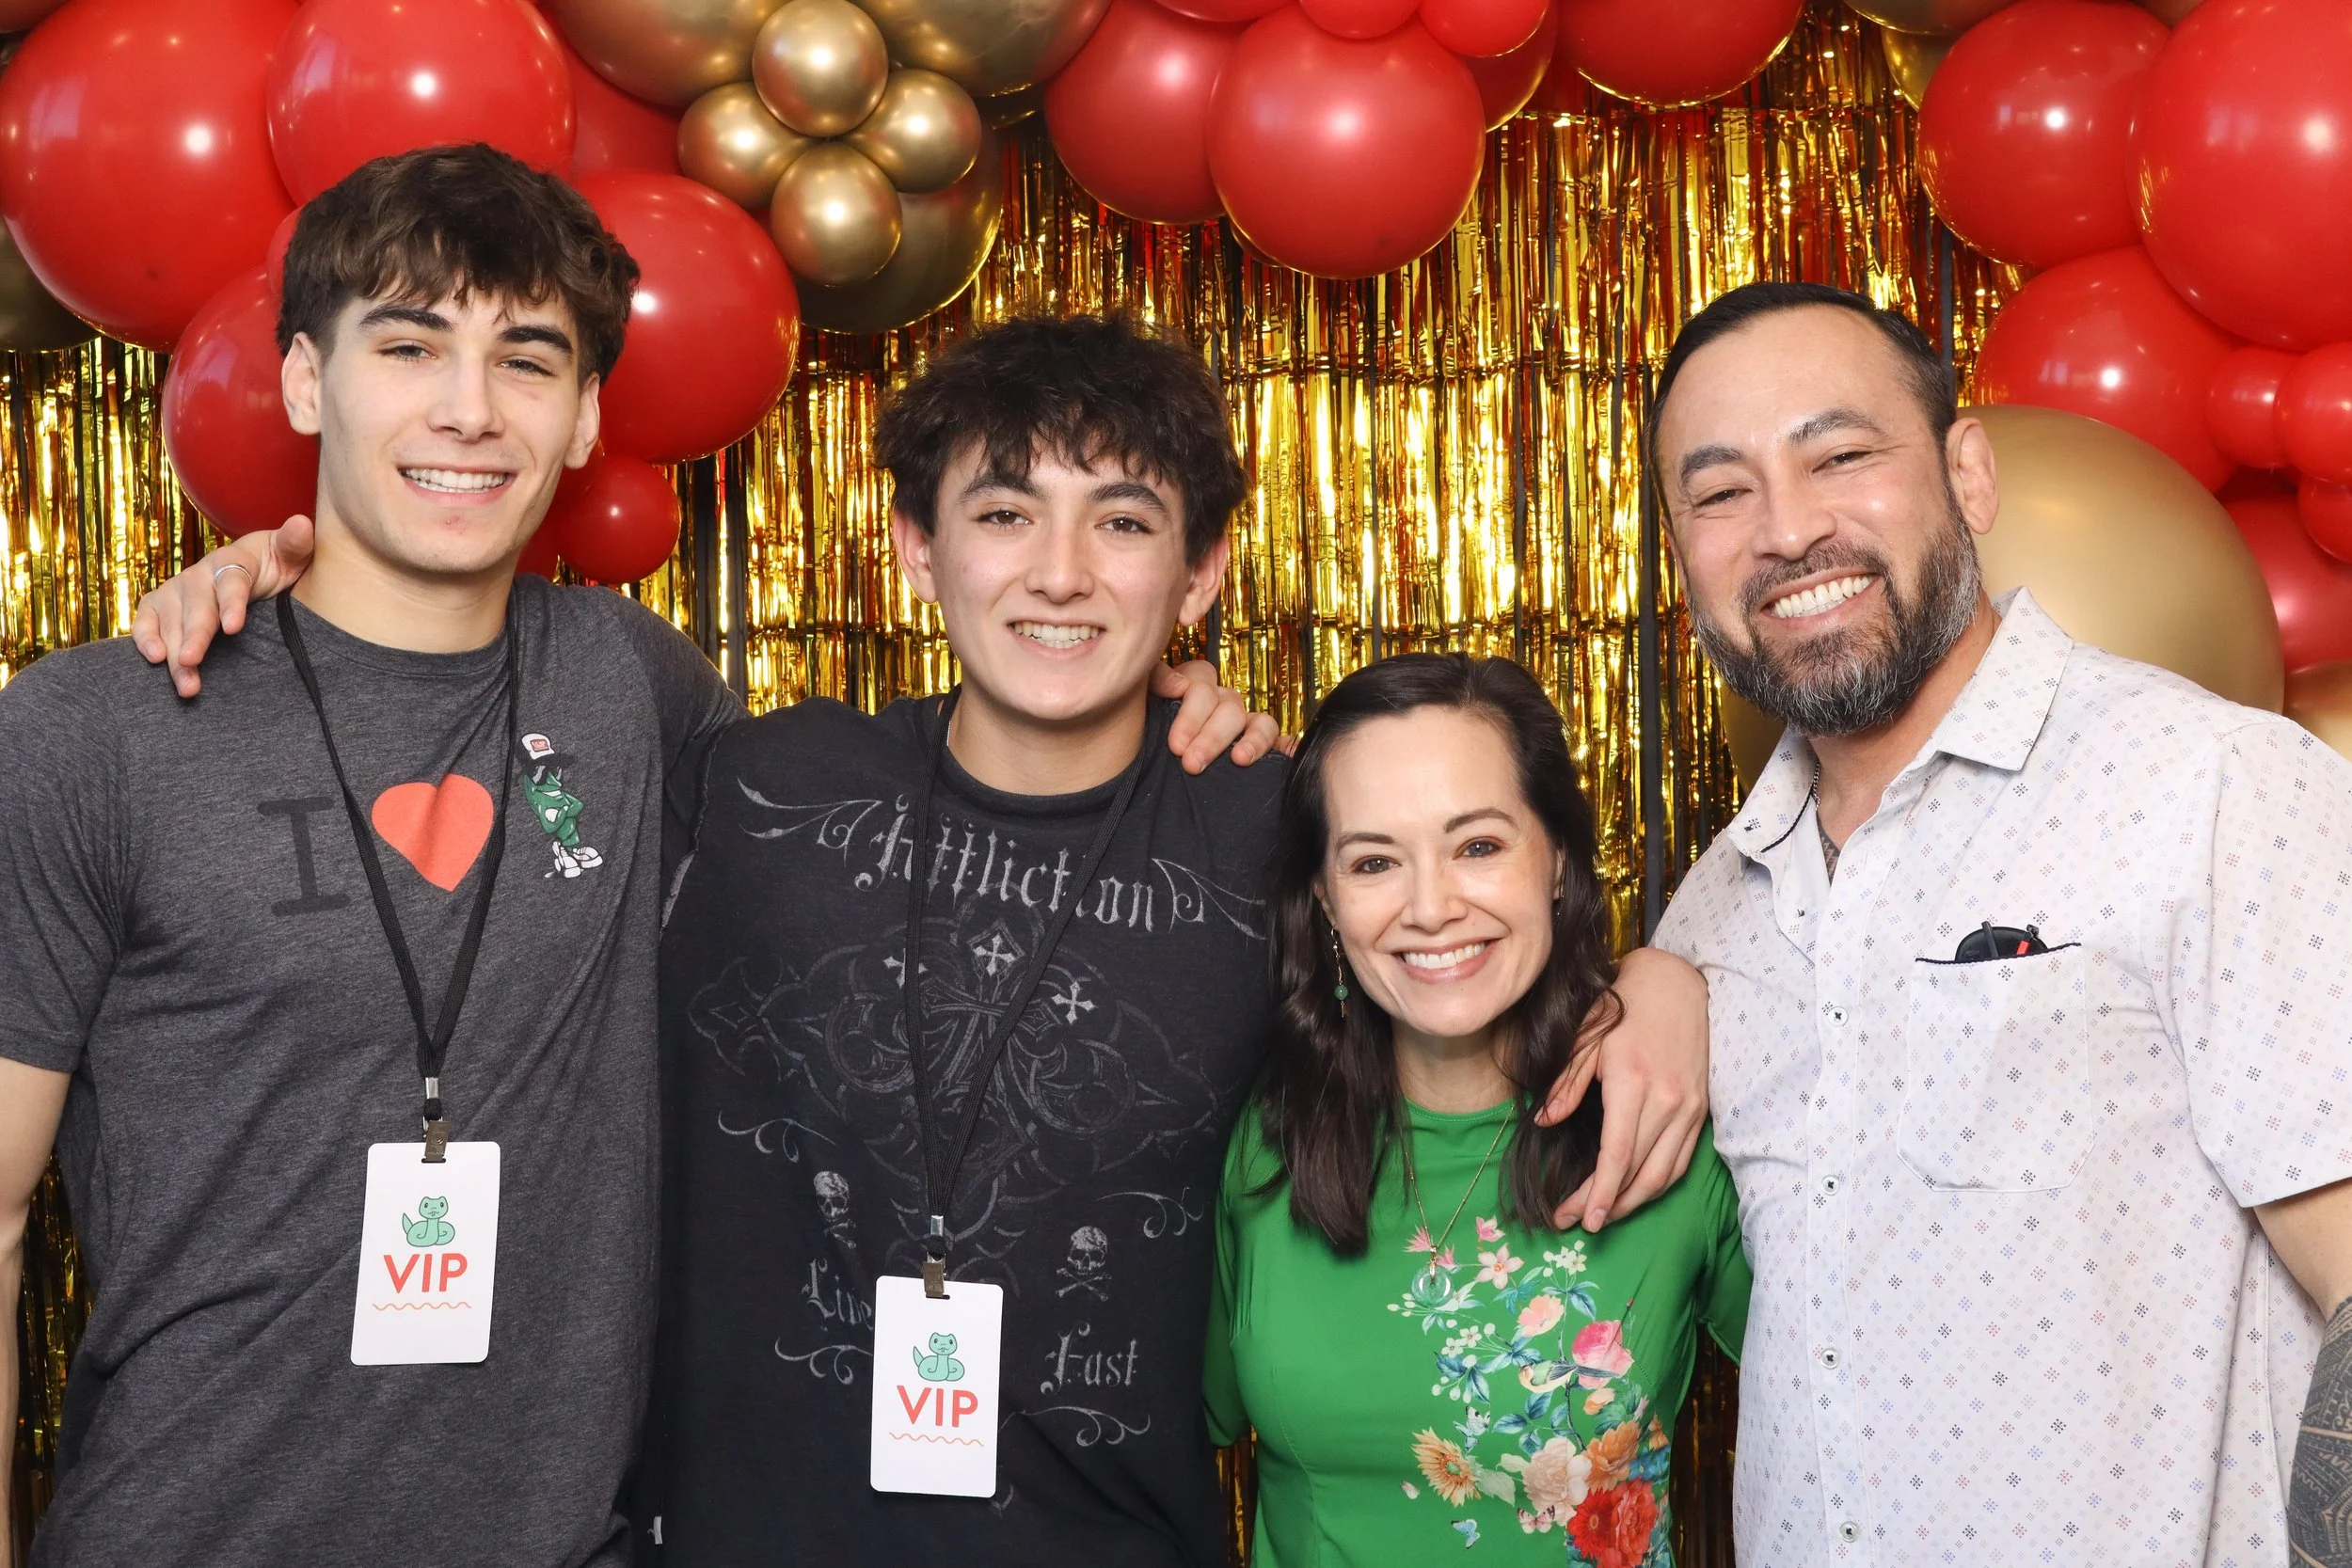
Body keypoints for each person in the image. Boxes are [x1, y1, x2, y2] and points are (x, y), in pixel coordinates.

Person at [0, 146, 1265, 1567]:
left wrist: (1175, 706)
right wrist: (242, 563)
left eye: (526, 361)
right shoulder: (88, 729)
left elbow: (981, 759)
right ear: (303, 381)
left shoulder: (636, 691)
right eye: (410, 346)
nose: (468, 410)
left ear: (589, 414)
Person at [644, 314, 1714, 1565]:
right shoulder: (752, 790)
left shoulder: (1278, 823)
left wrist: (1665, 976)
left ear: (1199, 573)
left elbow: (1462, 935)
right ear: (917, 550)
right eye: (1003, 514)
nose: (1060, 571)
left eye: (1123, 520)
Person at [1645, 279, 2352, 1565]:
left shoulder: (2212, 786)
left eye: (1842, 454)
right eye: (1721, 491)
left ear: (1969, 473)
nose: (1788, 528)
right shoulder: (1714, 906)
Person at [1205, 653, 1748, 1566]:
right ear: (1324, 900)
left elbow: (1868, 1417)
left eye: (1478, 845)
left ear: (1558, 859)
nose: (1431, 906)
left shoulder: (1673, 1125)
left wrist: (1683, 973)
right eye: (1374, 859)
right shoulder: (1261, 1139)